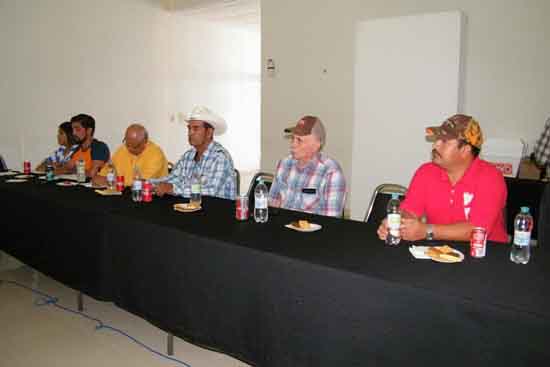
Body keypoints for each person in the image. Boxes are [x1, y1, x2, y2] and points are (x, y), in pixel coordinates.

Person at [377, 114, 508, 243]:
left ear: (465, 150)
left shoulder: (491, 178)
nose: (435, 146)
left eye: (444, 141)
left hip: (485, 253)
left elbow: (478, 230)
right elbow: (410, 211)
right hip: (439, 251)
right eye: (437, 139)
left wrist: (426, 230)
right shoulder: (426, 172)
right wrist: (396, 221)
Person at [268, 115, 346, 217]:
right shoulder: (284, 164)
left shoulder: (331, 172)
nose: (293, 144)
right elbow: (271, 206)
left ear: (317, 144)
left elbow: (331, 222)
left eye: (299, 140)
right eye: (292, 138)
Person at [153, 106, 236, 200]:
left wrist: (174, 189)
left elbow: (211, 191)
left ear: (209, 132)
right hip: (194, 210)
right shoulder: (188, 156)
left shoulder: (220, 157)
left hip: (217, 211)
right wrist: (148, 183)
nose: (190, 133)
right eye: (189, 128)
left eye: (195, 128)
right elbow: (173, 178)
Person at [92, 124, 168, 187]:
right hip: (122, 194)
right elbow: (106, 171)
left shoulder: (156, 154)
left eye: (134, 146)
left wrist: (114, 182)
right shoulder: (122, 149)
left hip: (148, 197)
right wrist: (100, 177)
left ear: (145, 142)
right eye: (127, 144)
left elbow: (142, 183)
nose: (130, 149)